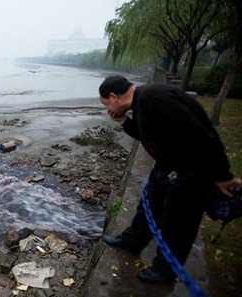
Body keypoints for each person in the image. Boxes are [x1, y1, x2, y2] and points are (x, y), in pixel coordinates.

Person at [98, 75, 242, 284]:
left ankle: (165, 271)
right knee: (149, 203)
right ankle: (132, 240)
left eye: (105, 104)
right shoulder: (142, 102)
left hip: (191, 170)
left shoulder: (154, 98)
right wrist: (122, 121)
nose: (106, 109)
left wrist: (222, 176)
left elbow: (202, 135)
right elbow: (145, 135)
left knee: (179, 221)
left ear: (113, 97)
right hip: (168, 166)